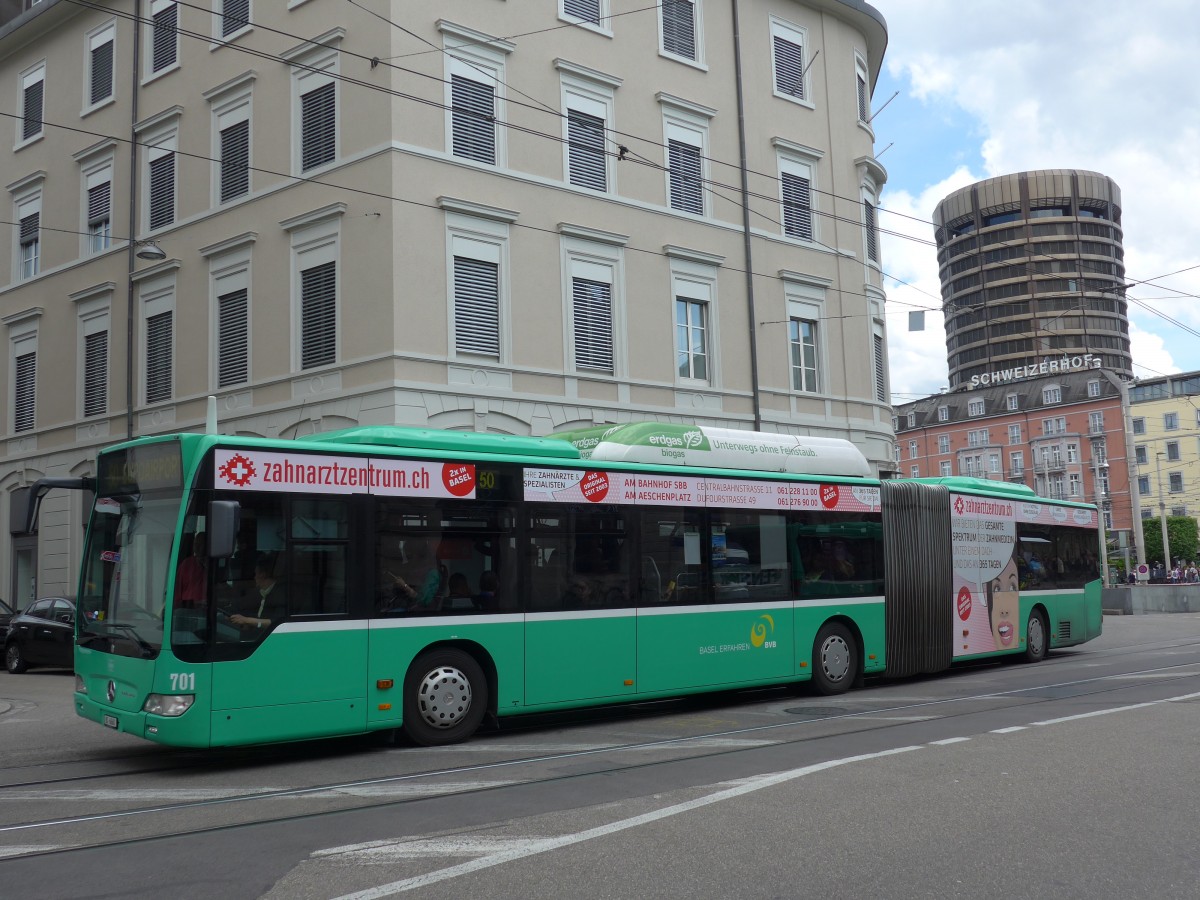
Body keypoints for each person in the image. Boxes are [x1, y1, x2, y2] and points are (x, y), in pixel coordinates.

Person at [230, 554, 286, 633]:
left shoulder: (280, 595)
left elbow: (277, 622)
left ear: (262, 574)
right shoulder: (262, 592)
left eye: (255, 574)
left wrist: (246, 620)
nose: (254, 577)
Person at [389, 538, 443, 610]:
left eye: (409, 557)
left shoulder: (432, 574)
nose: (407, 561)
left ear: (418, 556)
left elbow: (423, 600)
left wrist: (405, 586)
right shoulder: (415, 571)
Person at [174, 532, 208, 609]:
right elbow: (177, 589)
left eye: (200, 543)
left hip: (207, 609)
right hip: (188, 608)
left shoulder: (214, 563)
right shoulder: (186, 563)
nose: (197, 546)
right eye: (195, 543)